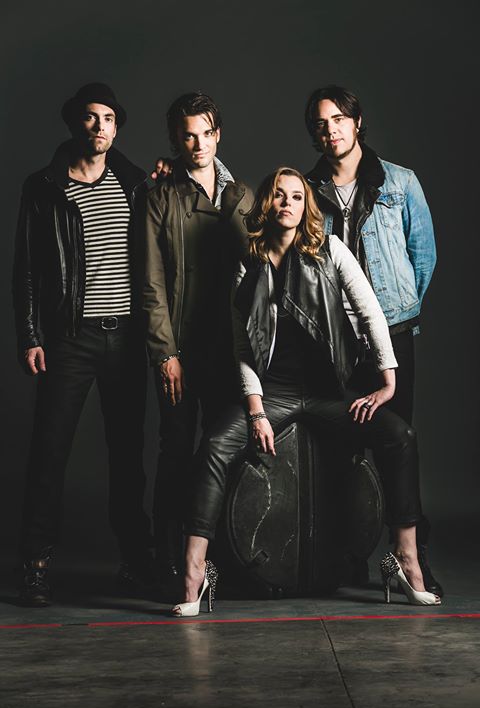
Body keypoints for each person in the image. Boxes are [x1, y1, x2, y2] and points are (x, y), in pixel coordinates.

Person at [171, 167, 441, 617]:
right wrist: (256, 410)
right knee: (215, 445)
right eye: (279, 195)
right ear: (267, 204)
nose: (288, 203)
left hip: (328, 392)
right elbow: (243, 347)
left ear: (306, 206)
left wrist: (387, 380)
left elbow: (370, 313)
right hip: (273, 393)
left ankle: (405, 558)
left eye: (297, 196)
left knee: (400, 437)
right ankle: (194, 570)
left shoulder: (330, 250)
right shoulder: (249, 264)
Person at [12, 83, 152, 606]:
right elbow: (26, 268)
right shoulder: (44, 187)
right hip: (69, 337)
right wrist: (31, 336)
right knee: (50, 452)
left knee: (128, 456)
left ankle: (135, 561)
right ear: (75, 123)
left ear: (117, 128)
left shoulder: (135, 182)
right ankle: (35, 565)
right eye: (91, 117)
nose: (100, 127)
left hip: (126, 338)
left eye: (109, 118)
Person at [304, 85, 441, 595]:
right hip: (336, 342)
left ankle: (412, 556)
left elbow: (422, 257)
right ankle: (350, 557)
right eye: (322, 123)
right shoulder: (307, 189)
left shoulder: (400, 182)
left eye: (339, 119)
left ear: (357, 122)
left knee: (397, 445)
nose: (332, 130)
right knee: (341, 449)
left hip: (393, 336)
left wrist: (394, 313)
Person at [143, 92, 254, 580]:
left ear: (218, 134)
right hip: (181, 350)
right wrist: (165, 352)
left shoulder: (243, 196)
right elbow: (150, 283)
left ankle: (223, 557)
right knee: (175, 450)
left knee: (225, 449)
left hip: (230, 350)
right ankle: (168, 557)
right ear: (176, 139)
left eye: (206, 133)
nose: (199, 144)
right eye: (188, 135)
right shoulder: (160, 196)